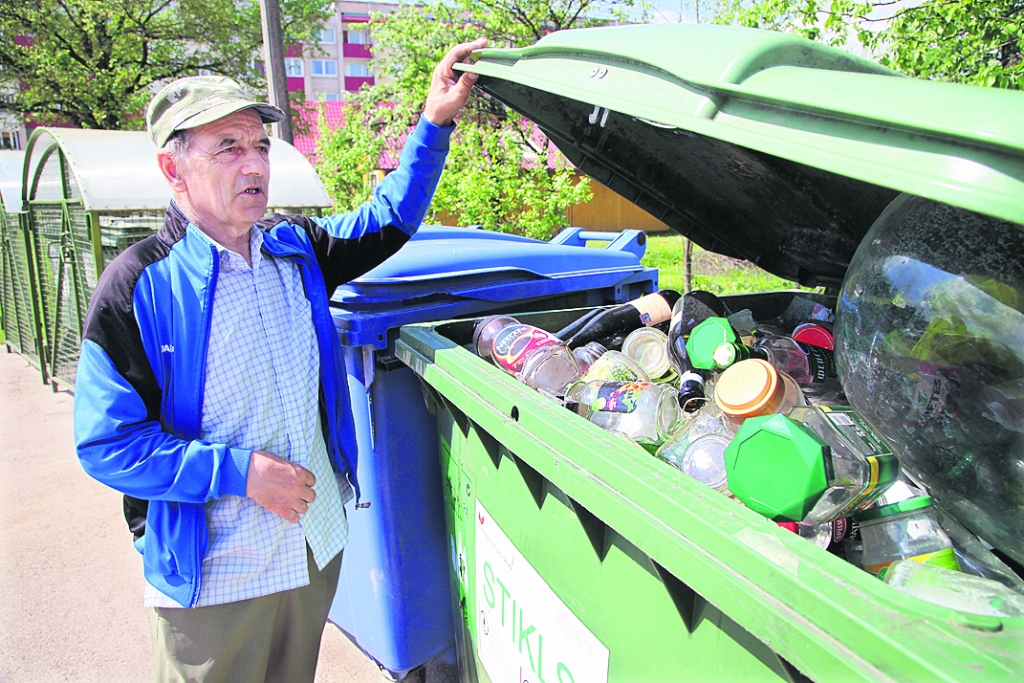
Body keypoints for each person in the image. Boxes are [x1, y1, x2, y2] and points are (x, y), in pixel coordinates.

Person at [73, 38, 487, 683]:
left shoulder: (295, 250)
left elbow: (391, 218)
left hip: (313, 546)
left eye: (261, 146)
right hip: (215, 575)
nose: (254, 164)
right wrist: (240, 473)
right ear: (172, 168)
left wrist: (435, 122)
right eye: (228, 148)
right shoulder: (136, 285)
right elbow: (107, 446)